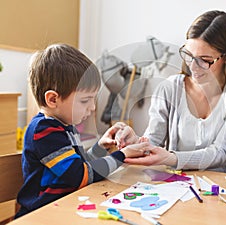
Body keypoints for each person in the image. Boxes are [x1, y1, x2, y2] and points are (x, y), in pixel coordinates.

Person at [15, 44, 150, 218]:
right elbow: (80, 176)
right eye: (85, 100)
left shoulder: (65, 126)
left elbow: (81, 165)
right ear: (53, 99)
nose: (93, 107)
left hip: (65, 208)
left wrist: (101, 147)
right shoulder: (44, 131)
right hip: (41, 216)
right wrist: (122, 155)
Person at [124, 10, 226, 173]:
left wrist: (171, 158)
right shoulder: (169, 89)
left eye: (205, 60)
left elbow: (220, 153)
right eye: (188, 55)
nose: (192, 66)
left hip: (222, 190)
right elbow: (153, 142)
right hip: (176, 186)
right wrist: (134, 142)